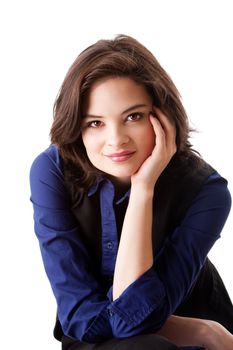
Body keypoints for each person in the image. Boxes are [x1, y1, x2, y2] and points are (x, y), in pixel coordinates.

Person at [29, 34, 233, 350]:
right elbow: (81, 318)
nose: (116, 139)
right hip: (102, 339)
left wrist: (143, 190)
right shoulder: (52, 172)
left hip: (197, 319)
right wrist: (203, 333)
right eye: (95, 123)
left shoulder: (207, 192)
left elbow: (135, 320)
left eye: (133, 117)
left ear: (163, 116)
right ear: (77, 127)